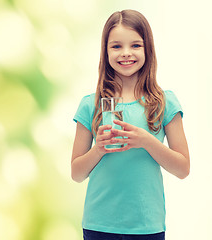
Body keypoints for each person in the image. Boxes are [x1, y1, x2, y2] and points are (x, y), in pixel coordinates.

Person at [71, 9, 190, 240]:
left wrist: (146, 141)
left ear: (148, 49)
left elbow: (183, 169)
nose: (126, 53)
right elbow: (76, 173)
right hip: (99, 225)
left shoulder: (164, 103)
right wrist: (99, 149)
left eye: (135, 45)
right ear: (105, 51)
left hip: (146, 226)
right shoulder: (91, 104)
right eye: (116, 46)